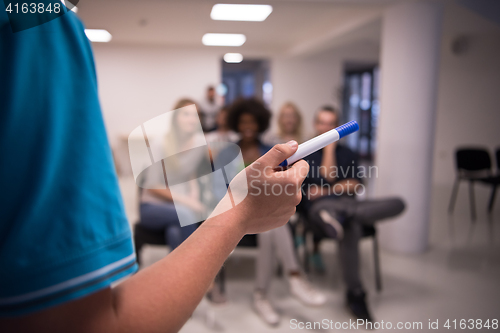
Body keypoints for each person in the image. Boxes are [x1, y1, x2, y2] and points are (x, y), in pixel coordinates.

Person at [0, 10, 310, 333]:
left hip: (181, 214)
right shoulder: (37, 25)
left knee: (180, 229)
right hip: (160, 208)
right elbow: (79, 323)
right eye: (185, 119)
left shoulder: (207, 149)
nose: (191, 124)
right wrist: (236, 213)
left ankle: (191, 288)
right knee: (183, 220)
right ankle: (195, 288)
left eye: (195, 120)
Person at [299, 106, 405, 322]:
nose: (327, 128)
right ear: (315, 125)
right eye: (323, 123)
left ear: (338, 126)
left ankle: (342, 216)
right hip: (318, 211)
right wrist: (335, 179)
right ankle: (355, 293)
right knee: (348, 222)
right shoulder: (305, 153)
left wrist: (328, 190)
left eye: (332, 123)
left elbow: (356, 185)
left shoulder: (348, 153)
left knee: (397, 203)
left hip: (343, 205)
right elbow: (318, 185)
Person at [226, 98, 326, 327]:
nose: (248, 126)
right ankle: (293, 277)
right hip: (237, 208)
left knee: (271, 228)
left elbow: (280, 181)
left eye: (252, 121)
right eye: (243, 122)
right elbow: (223, 188)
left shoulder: (268, 150)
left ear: (261, 122)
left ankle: (262, 295)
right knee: (273, 225)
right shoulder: (229, 152)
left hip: (263, 209)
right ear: (236, 124)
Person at [138, 98, 202, 251]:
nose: (192, 119)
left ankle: (179, 273)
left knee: (174, 232)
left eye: (196, 115)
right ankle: (195, 268)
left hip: (178, 207)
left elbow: (189, 170)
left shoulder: (199, 143)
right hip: (152, 206)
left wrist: (194, 191)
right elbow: (152, 186)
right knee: (186, 215)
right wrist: (187, 201)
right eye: (186, 114)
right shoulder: (160, 143)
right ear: (175, 118)